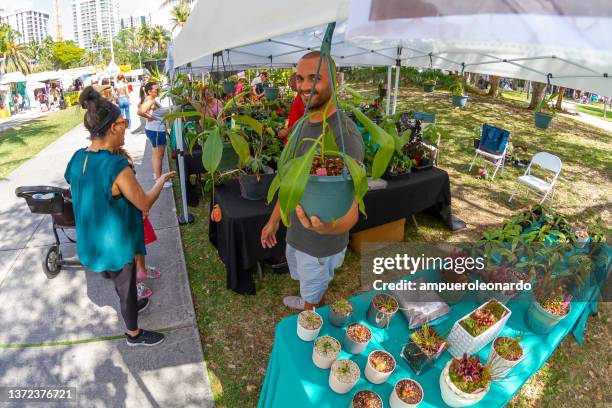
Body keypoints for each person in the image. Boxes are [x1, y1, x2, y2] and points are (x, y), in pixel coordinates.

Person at [64, 87, 175, 346]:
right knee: (124, 289)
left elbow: (76, 182)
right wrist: (160, 180)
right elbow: (145, 201)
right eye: (123, 122)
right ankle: (133, 334)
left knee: (118, 281)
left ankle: (134, 305)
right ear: (113, 127)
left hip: (90, 242)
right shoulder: (116, 166)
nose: (126, 127)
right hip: (115, 244)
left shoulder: (78, 158)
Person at [260, 51, 364, 311]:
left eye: (315, 78)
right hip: (297, 233)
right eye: (300, 78)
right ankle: (311, 299)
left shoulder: (346, 137)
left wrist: (327, 229)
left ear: (336, 82)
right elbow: (289, 184)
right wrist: (273, 221)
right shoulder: (300, 127)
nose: (304, 86)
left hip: (322, 244)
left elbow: (352, 210)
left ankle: (311, 319)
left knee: (313, 300)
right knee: (311, 288)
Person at [138, 82, 171, 187]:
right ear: (149, 91)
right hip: (156, 131)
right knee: (158, 156)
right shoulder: (150, 100)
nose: (158, 91)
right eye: (156, 90)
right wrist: (149, 117)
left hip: (154, 130)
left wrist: (150, 116)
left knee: (156, 155)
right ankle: (159, 180)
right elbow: (140, 111)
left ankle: (157, 175)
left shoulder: (150, 99)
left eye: (158, 89)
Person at [277, 72, 305, 143]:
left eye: (291, 80)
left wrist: (288, 130)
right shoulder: (299, 96)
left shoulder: (304, 98)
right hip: (293, 137)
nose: (289, 84)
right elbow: (299, 116)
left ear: (298, 81)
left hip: (298, 139)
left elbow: (307, 119)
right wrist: (285, 114)